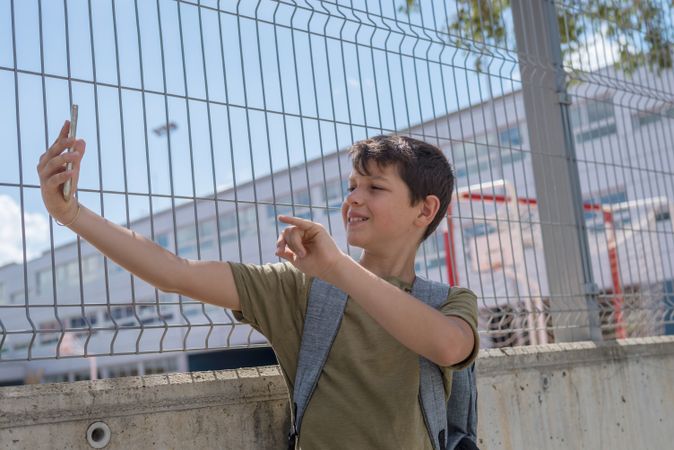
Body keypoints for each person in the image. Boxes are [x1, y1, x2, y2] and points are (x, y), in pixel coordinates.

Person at [38, 121, 479, 449]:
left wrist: (338, 267)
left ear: (425, 210)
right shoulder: (304, 289)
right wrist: (71, 215)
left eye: (375, 187)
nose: (353, 199)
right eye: (351, 186)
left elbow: (447, 347)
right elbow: (174, 271)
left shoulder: (448, 302)